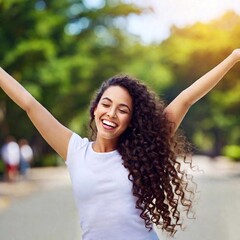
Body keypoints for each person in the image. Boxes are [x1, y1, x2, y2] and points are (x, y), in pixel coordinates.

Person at [0, 49, 239, 239]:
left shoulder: (140, 151)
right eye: (106, 104)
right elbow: (29, 104)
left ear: (131, 120)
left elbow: (185, 99)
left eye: (122, 110)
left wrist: (234, 57)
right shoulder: (75, 151)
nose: (111, 114)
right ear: (95, 109)